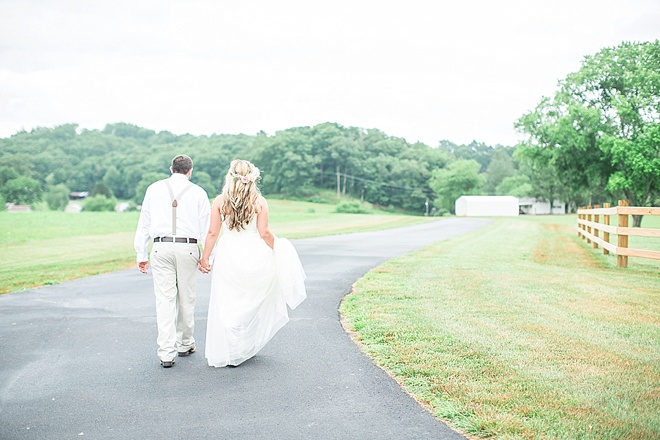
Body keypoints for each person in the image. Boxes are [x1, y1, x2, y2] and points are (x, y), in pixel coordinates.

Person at [199, 159, 306, 368]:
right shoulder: (259, 201)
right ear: (252, 177)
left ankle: (231, 349)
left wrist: (205, 257)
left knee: (228, 300)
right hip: (254, 254)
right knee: (251, 298)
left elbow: (212, 232)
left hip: (228, 254)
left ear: (230, 176)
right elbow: (264, 233)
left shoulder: (221, 201)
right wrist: (279, 248)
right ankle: (243, 346)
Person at [134, 154, 211, 368]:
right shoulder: (198, 192)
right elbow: (207, 228)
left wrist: (141, 254)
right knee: (187, 298)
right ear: (190, 171)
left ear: (171, 169)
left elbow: (144, 222)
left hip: (161, 247)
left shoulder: (154, 189)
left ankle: (166, 353)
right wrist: (207, 258)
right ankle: (185, 343)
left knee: (165, 300)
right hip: (188, 247)